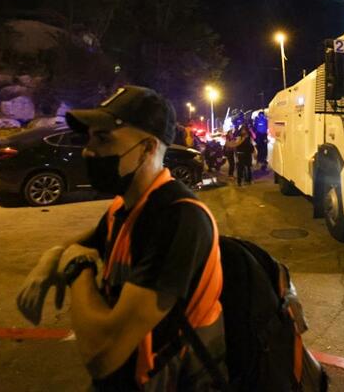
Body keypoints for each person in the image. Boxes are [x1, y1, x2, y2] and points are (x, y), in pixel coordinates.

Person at [17, 86, 226, 391]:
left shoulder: (180, 219)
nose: (88, 150)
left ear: (147, 148)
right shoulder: (124, 206)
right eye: (88, 138)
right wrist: (52, 256)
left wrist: (77, 269)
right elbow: (80, 244)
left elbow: (102, 354)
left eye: (103, 138)